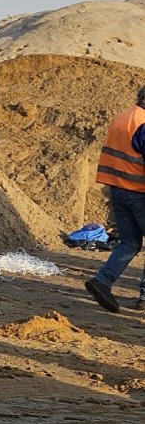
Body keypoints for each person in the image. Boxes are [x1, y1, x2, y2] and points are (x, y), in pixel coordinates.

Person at [84, 84, 145, 313]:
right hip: (139, 192)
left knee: (129, 243)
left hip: (118, 192)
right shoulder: (143, 124)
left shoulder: (123, 118)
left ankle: (102, 281)